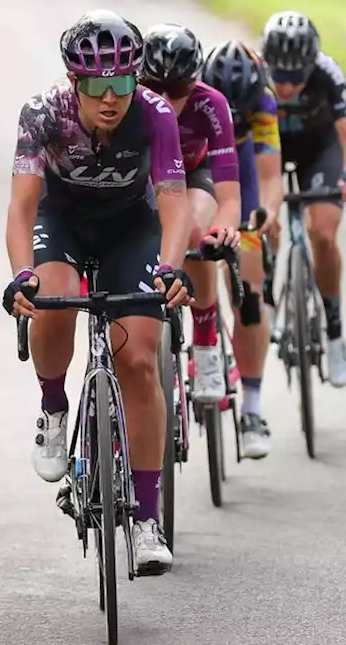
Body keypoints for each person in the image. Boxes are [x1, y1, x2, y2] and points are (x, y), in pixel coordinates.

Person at [4, 10, 194, 576]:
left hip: (129, 229)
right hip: (60, 222)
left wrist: (171, 267)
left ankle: (146, 519)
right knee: (53, 301)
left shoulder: (155, 115)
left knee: (137, 361)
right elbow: (19, 207)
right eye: (96, 86)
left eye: (122, 84)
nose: (110, 98)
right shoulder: (43, 115)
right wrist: (21, 275)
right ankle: (54, 407)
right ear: (74, 84)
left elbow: (175, 203)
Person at [138, 24, 243, 406]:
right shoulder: (127, 101)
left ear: (194, 84)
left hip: (195, 174)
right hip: (146, 177)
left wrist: (225, 229)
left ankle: (205, 343)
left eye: (179, 89)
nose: (166, 99)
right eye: (154, 86)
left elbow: (229, 195)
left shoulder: (211, 105)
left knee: (197, 232)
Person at [259, 11, 346, 388]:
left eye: (296, 77)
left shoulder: (327, 73)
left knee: (322, 232)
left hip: (319, 149)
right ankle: (267, 297)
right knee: (262, 219)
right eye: (279, 77)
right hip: (269, 147)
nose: (286, 86)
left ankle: (334, 333)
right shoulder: (254, 76)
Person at [200, 40, 283, 457]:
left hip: (243, 180)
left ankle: (251, 405)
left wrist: (266, 212)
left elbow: (270, 175)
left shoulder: (264, 103)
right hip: (201, 175)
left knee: (248, 293)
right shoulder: (191, 93)